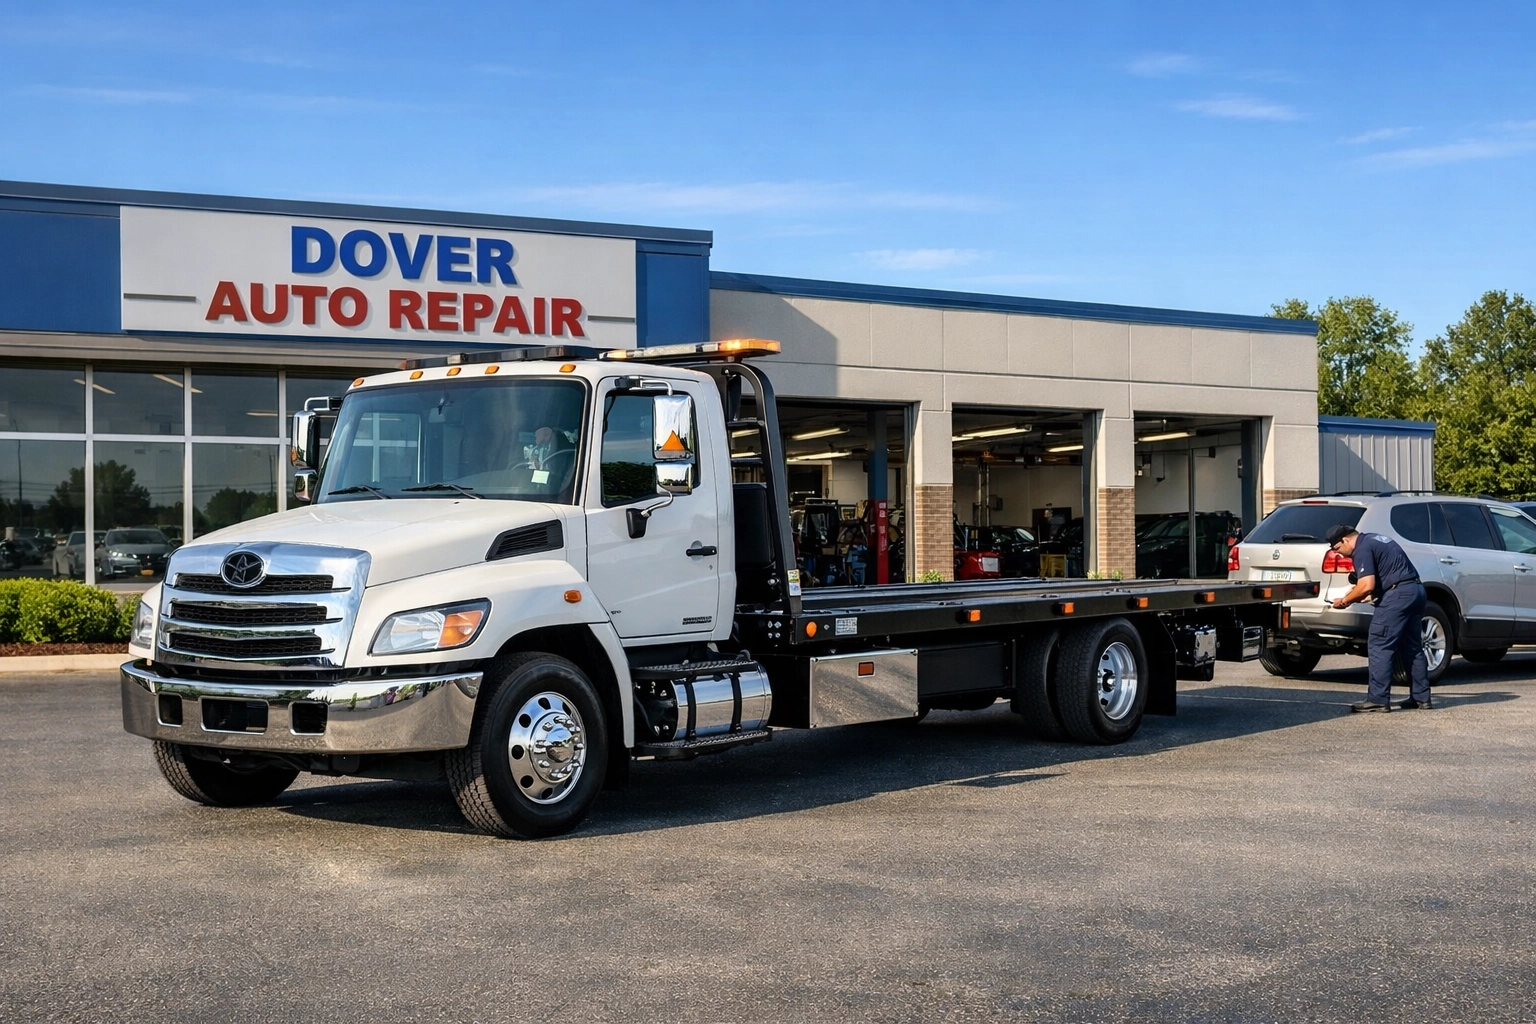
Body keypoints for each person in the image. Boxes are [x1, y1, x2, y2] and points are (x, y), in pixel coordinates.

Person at [1325, 524, 1432, 712]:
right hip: (1415, 590)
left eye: (1337, 549)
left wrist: (1344, 601)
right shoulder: (1375, 539)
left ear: (1345, 540)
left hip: (1398, 594)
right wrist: (1365, 594)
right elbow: (1381, 580)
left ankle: (1378, 699)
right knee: (1413, 648)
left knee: (1379, 644)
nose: (1339, 554)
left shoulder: (1362, 548)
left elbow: (1366, 585)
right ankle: (1421, 698)